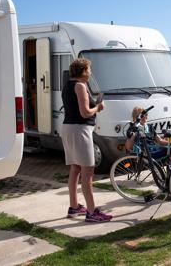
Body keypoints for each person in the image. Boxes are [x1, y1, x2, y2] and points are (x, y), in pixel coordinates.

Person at [61, 58, 112, 222]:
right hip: (80, 130)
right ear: (83, 71)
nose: (90, 73)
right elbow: (85, 113)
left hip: (69, 128)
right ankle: (91, 212)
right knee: (88, 172)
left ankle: (74, 206)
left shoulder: (68, 86)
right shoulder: (80, 86)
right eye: (89, 70)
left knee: (75, 168)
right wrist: (98, 107)